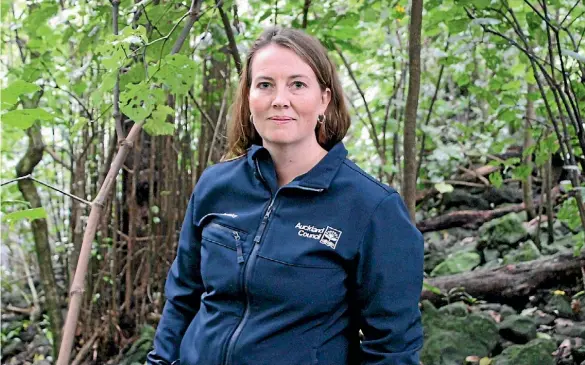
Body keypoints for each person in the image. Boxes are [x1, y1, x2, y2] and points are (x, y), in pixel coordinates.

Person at [147, 26, 424, 365]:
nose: (280, 99)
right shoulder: (215, 186)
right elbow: (182, 299)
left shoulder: (372, 208)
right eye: (265, 85)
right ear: (249, 98)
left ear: (324, 99)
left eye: (297, 84)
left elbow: (393, 349)